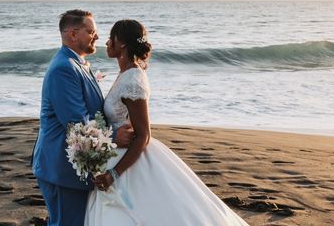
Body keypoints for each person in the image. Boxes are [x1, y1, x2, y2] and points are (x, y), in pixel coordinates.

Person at [85, 19, 250, 226]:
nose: (107, 42)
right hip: (115, 151)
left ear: (123, 44)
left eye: (112, 38)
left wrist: (114, 174)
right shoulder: (125, 74)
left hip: (127, 162)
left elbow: (144, 134)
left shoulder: (133, 80)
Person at [32, 10, 134, 226]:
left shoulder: (77, 64)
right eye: (91, 31)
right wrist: (115, 136)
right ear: (73, 34)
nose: (96, 36)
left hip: (75, 168)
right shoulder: (64, 68)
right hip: (60, 169)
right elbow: (76, 123)